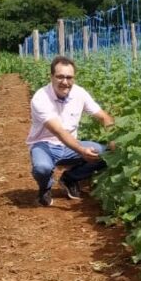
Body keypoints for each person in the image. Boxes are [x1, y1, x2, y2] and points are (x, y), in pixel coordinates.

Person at [26, 55, 114, 206]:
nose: (65, 82)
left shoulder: (79, 93)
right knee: (42, 168)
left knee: (107, 154)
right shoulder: (40, 98)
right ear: (51, 76)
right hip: (44, 145)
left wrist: (113, 138)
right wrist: (81, 150)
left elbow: (104, 117)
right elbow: (59, 131)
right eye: (60, 77)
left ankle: (70, 178)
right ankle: (45, 187)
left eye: (69, 77)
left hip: (69, 146)